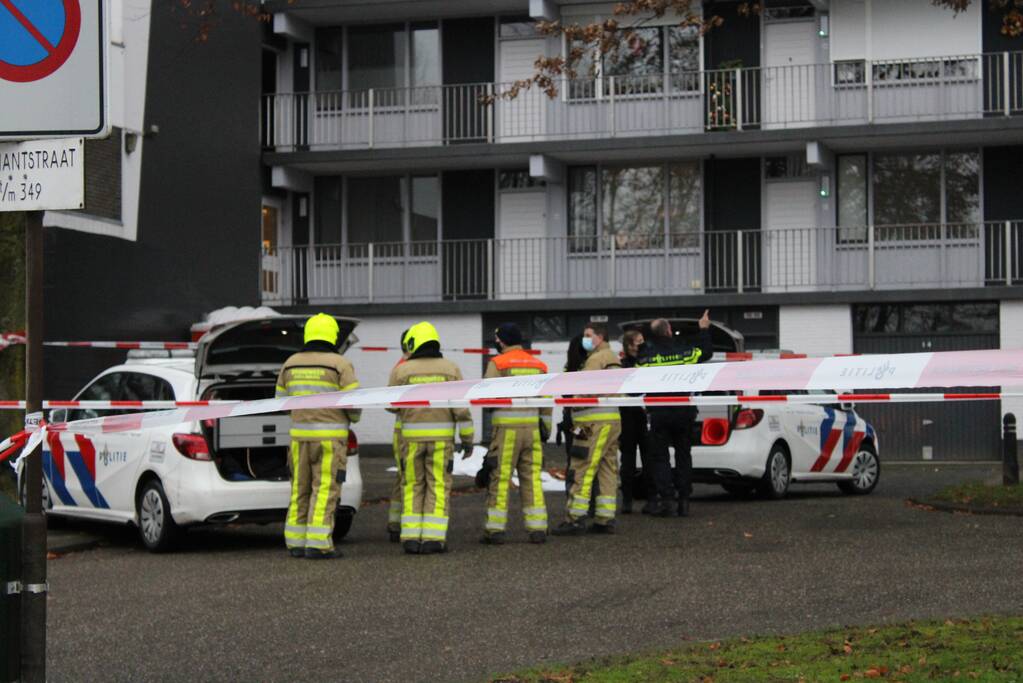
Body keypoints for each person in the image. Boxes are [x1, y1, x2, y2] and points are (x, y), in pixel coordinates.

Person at [275, 313, 361, 559]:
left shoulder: (290, 363)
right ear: (332, 335)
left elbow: (280, 402)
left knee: (299, 489)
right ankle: (318, 543)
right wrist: (352, 420)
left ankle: (295, 542)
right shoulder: (339, 364)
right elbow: (353, 404)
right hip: (330, 440)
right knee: (325, 489)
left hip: (299, 439)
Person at [388, 321, 474, 555]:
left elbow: (391, 406)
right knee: (437, 486)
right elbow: (461, 409)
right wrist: (468, 441)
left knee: (413, 485)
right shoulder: (450, 369)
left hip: (411, 442)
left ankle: (411, 538)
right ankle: (433, 539)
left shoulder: (402, 370)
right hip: (441, 442)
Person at [478, 323, 551, 545]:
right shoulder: (539, 365)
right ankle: (538, 529)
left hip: (507, 431)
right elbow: (547, 401)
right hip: (532, 431)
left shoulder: (498, 363)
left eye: (498, 339)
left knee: (500, 479)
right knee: (532, 479)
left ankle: (495, 530)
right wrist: (546, 427)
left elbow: (487, 395)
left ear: (502, 341)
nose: (496, 342)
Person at [636, 312, 714, 517]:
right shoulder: (684, 351)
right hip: (683, 412)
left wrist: (641, 346)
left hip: (659, 413)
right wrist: (703, 328)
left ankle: (667, 500)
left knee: (660, 458)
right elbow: (705, 352)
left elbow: (634, 379)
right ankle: (684, 501)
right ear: (669, 330)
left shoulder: (646, 357)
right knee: (683, 456)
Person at [553, 322, 622, 535]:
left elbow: (582, 392)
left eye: (588, 335)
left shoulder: (595, 359)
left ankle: (575, 518)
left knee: (582, 466)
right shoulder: (614, 358)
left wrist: (571, 402)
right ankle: (604, 518)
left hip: (592, 423)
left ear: (599, 337)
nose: (585, 339)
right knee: (607, 467)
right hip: (612, 420)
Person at [618, 329, 649, 515]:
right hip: (628, 415)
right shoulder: (623, 365)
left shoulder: (648, 361)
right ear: (629, 345)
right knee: (628, 460)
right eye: (639, 341)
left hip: (644, 414)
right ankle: (627, 500)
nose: (642, 344)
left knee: (649, 458)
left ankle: (651, 498)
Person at [386, 329, 410, 543]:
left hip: (402, 432)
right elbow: (391, 405)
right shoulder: (403, 368)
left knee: (402, 477)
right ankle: (401, 524)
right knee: (408, 479)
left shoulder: (400, 367)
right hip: (405, 434)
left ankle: (395, 523)